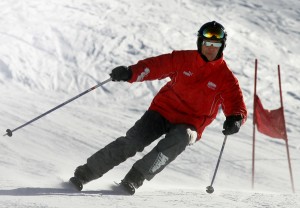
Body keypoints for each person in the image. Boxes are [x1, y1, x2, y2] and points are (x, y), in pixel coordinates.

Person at [69, 21, 248, 195]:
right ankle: (85, 174)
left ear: (222, 47)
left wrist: (236, 119)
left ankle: (135, 178)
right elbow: (156, 66)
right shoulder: (183, 59)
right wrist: (131, 72)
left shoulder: (226, 78)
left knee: (181, 138)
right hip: (162, 111)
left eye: (215, 44)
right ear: (200, 43)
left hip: (190, 124)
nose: (210, 48)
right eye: (207, 43)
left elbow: (236, 105)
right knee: (133, 141)